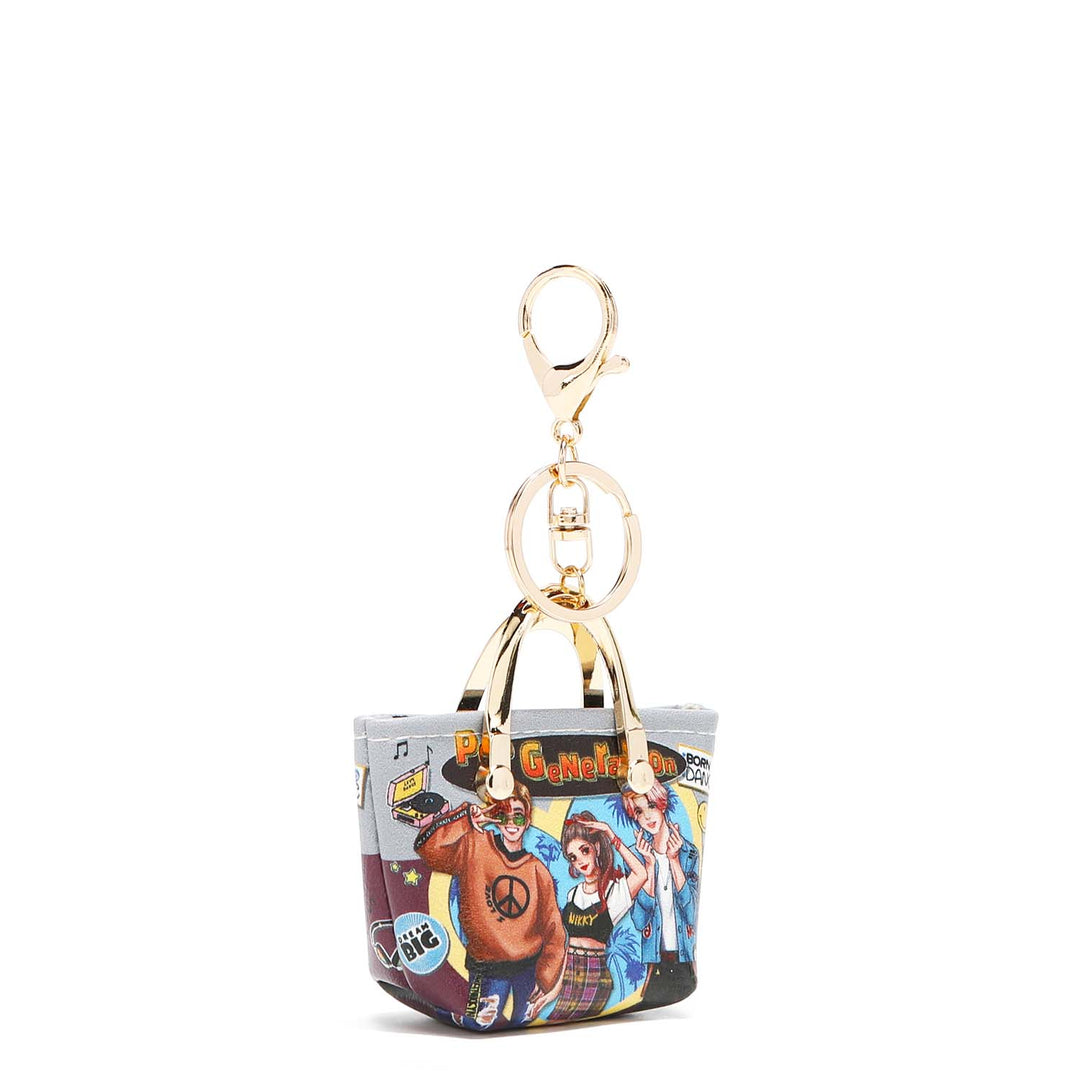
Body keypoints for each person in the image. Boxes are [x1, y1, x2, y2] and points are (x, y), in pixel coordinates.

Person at [414, 781, 565, 1029]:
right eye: (503, 814)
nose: (511, 823)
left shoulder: (537, 870)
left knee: (525, 1024)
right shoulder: (474, 846)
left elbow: (554, 929)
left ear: (527, 820)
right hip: (487, 969)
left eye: (518, 816)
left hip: (527, 969)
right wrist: (466, 819)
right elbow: (427, 848)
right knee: (480, 1022)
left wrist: (546, 976)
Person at [543, 811, 649, 1023]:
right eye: (573, 857)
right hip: (570, 976)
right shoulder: (573, 894)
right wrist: (554, 991)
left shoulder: (614, 891)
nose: (580, 861)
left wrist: (609, 833)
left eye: (584, 850)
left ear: (597, 848)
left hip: (595, 976)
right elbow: (568, 948)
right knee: (555, 1024)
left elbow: (641, 874)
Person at [621, 781, 699, 1007]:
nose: (647, 816)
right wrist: (648, 867)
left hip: (684, 963)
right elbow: (639, 921)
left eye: (652, 805)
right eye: (639, 811)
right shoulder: (638, 858)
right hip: (655, 966)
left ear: (662, 805)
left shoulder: (688, 853)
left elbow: (691, 913)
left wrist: (674, 861)